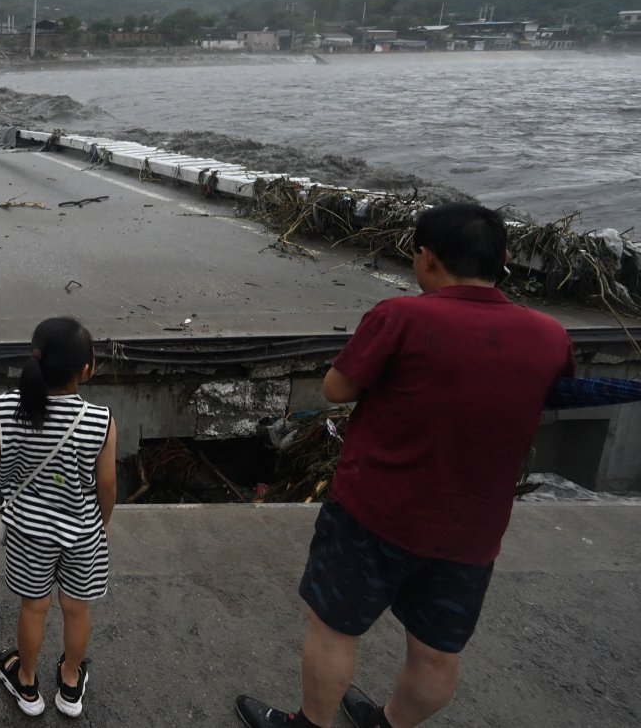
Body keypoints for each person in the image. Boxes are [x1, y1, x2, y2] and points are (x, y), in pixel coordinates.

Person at [235, 203, 576, 728]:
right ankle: (388, 723)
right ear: (504, 259)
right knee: (437, 652)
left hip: (374, 512)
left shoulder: (403, 317)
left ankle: (311, 724)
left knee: (333, 629)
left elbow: (335, 389)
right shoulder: (551, 336)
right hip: (472, 531)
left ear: (428, 259)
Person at [0, 316, 116, 719]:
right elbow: (107, 485)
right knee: (76, 609)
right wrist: (102, 523)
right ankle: (71, 682)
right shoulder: (99, 421)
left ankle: (27, 683)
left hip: (28, 532)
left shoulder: (10, 406)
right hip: (82, 533)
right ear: (85, 370)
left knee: (34, 606)